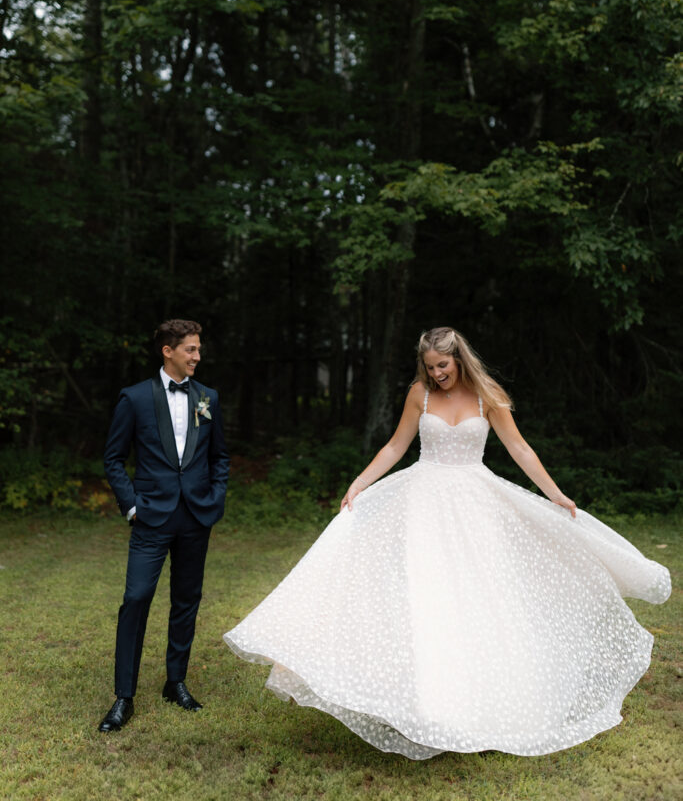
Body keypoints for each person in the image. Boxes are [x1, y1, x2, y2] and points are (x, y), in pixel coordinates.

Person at [223, 326, 671, 758]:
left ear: (459, 358)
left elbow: (519, 448)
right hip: (422, 504)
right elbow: (396, 446)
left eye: (442, 365)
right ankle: (429, 704)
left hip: (475, 505)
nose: (436, 374)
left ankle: (490, 704)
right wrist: (359, 484)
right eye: (429, 367)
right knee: (426, 599)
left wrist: (553, 493)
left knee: (480, 599)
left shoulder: (486, 395)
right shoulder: (419, 395)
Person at [98, 319, 230, 732]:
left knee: (186, 600)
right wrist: (132, 506)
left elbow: (220, 456)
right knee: (136, 599)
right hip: (151, 516)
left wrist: (216, 495)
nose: (197, 355)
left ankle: (176, 682)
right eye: (190, 349)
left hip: (196, 516)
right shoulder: (134, 398)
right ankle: (124, 696)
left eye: (198, 348)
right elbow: (113, 459)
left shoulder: (207, 397)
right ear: (167, 351)